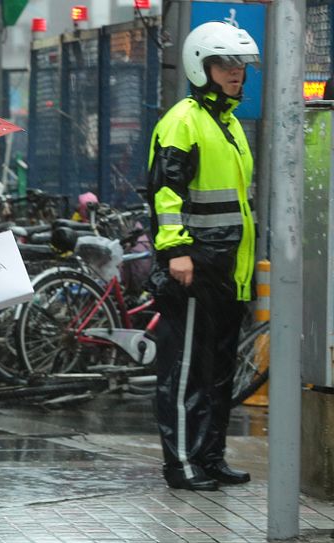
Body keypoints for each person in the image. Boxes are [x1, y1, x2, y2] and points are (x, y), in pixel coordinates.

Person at [147, 21, 259, 492]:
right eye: (226, 65)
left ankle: (211, 456)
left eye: (241, 66)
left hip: (229, 269)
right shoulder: (184, 120)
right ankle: (182, 463)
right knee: (185, 368)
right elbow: (165, 192)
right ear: (202, 67)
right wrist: (177, 251)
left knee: (218, 370)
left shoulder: (228, 123)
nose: (236, 74)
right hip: (194, 267)